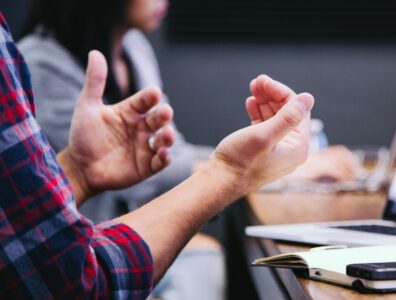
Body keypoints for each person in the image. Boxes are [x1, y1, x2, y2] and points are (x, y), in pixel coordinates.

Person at [0, 11, 315, 298]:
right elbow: (72, 284)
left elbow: (170, 153)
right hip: (99, 256)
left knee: (206, 261)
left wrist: (79, 172)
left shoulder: (134, 47)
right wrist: (234, 171)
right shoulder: (39, 63)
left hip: (111, 245)